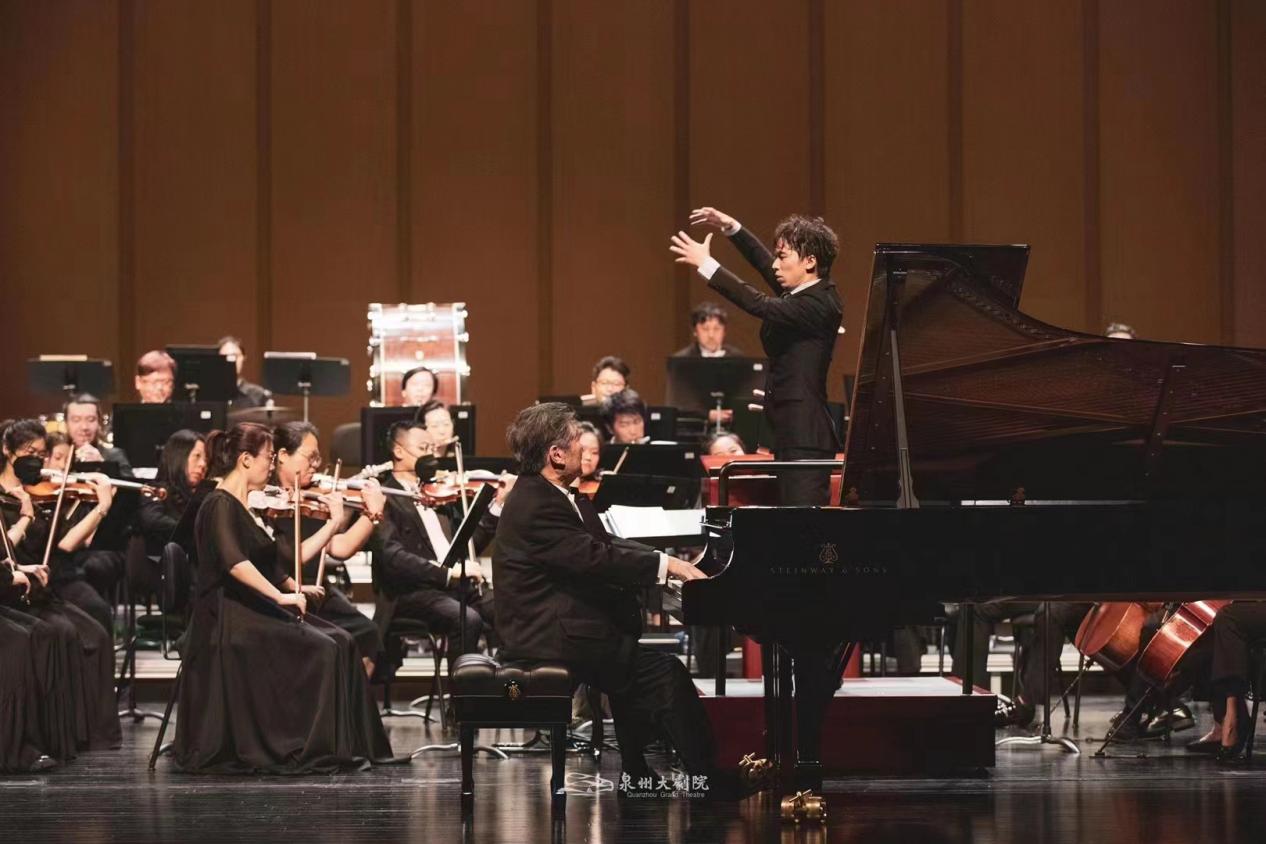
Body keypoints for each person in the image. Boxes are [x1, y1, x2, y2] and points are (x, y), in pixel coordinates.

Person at [493, 402, 747, 790]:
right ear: (556, 454)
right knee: (663, 672)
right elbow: (594, 557)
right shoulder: (536, 503)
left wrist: (667, 563)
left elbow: (605, 542)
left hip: (556, 627)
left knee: (628, 658)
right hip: (547, 636)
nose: (585, 449)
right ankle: (708, 778)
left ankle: (636, 772)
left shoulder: (551, 494)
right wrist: (666, 566)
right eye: (577, 441)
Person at [174, 422, 392, 773]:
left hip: (250, 608)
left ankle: (354, 745)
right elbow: (235, 562)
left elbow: (270, 562)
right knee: (325, 648)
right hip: (228, 617)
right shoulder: (218, 503)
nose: (272, 465)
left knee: (343, 639)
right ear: (246, 460)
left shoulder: (245, 505)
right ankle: (308, 746)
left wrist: (294, 586)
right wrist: (280, 597)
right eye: (269, 457)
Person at [672, 207, 842, 505]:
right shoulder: (804, 293)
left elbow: (758, 303)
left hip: (805, 438)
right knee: (789, 520)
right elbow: (765, 264)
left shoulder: (819, 303)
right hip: (790, 433)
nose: (776, 264)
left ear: (810, 261)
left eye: (783, 256)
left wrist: (707, 265)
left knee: (804, 523)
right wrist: (732, 228)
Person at [0, 419, 121, 753]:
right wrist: (25, 518)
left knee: (96, 634)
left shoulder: (37, 493)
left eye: (42, 454)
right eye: (29, 452)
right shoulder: (7, 500)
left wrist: (100, 507)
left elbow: (62, 544)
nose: (37, 461)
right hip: (12, 593)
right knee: (61, 634)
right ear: (8, 451)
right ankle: (51, 737)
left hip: (41, 588)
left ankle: (93, 735)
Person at [268, 421, 386, 676]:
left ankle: (350, 700)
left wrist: (372, 514)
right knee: (333, 642)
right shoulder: (266, 501)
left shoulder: (314, 498)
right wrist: (334, 522)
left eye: (318, 458)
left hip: (318, 589)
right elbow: (292, 557)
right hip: (281, 589)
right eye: (310, 457)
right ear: (283, 456)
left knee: (368, 634)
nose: (316, 465)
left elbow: (341, 548)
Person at [373, 419, 497, 659]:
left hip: (455, 587)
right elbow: (393, 558)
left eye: (432, 449)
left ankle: (510, 679)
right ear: (398, 451)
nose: (430, 456)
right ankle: (461, 684)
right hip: (412, 592)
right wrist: (446, 573)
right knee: (467, 619)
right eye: (423, 448)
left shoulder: (438, 495)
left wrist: (496, 508)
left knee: (509, 610)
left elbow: (467, 545)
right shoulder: (383, 496)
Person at [62, 394, 133, 476]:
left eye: (91, 420)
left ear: (99, 423)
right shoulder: (57, 456)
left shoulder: (115, 456)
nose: (84, 427)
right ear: (66, 423)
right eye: (76, 420)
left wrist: (102, 466)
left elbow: (129, 483)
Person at [217, 336, 271, 409]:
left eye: (235, 356)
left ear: (243, 358)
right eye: (225, 356)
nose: (231, 361)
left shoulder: (258, 394)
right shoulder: (207, 393)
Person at [673, 302, 742, 358]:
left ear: (724, 331)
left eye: (716, 329)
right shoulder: (682, 359)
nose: (711, 335)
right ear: (695, 331)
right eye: (705, 329)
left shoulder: (737, 358)